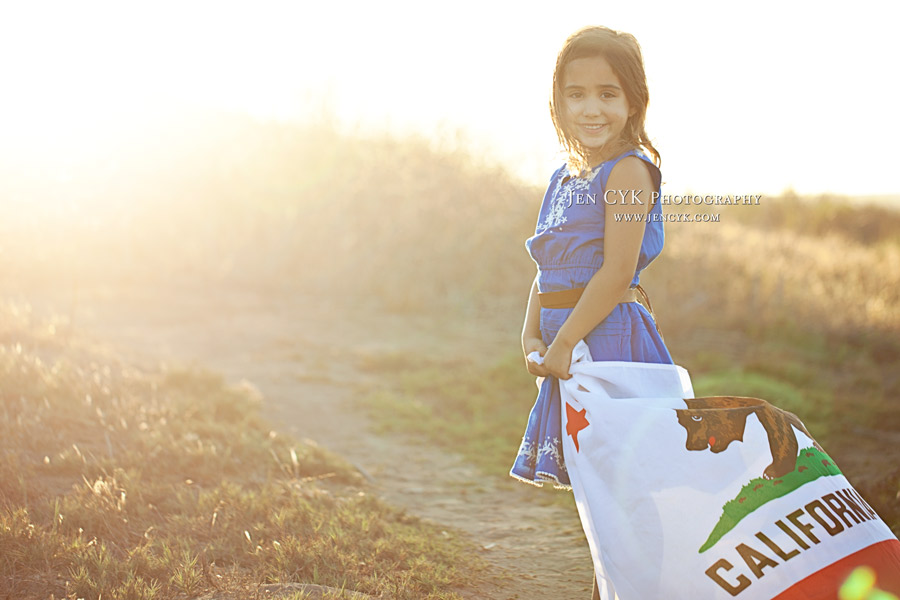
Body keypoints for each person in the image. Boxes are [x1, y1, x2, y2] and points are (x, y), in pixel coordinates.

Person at [508, 25, 673, 599]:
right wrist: (530, 331)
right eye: (576, 93)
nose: (591, 108)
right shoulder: (562, 176)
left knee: (625, 485)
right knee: (596, 487)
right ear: (557, 101)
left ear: (633, 103)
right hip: (565, 342)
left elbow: (614, 274)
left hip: (605, 339)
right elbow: (548, 263)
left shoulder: (627, 172)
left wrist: (561, 343)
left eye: (608, 93)